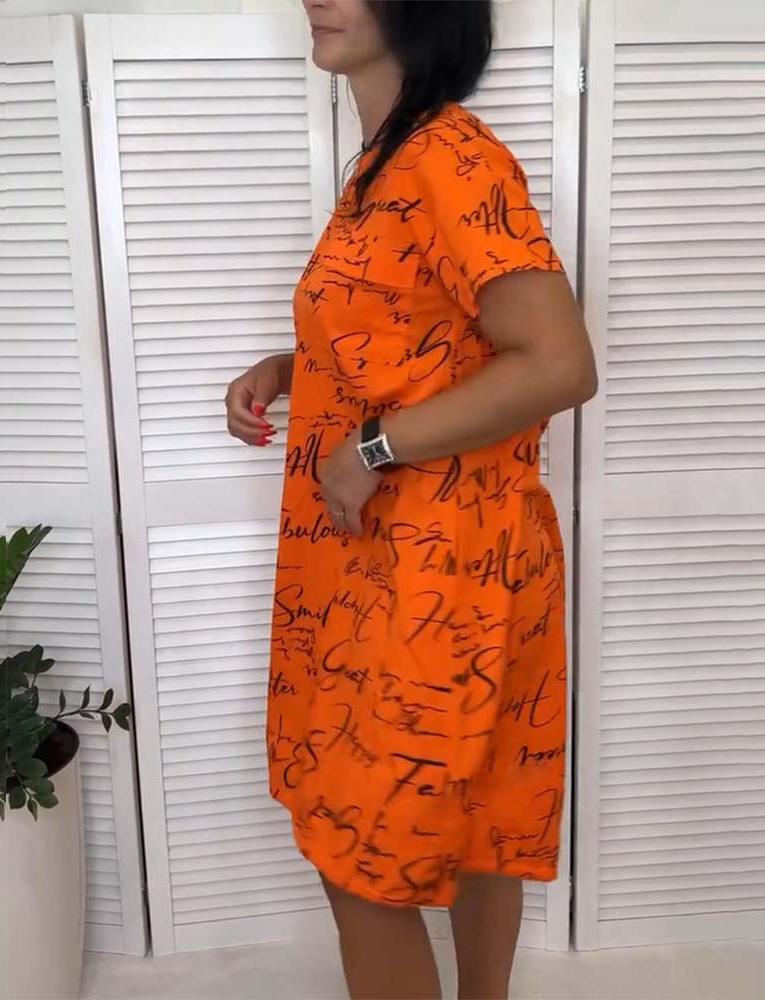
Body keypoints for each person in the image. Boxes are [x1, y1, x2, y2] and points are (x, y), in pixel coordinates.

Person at [225, 1, 597, 996]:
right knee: (477, 821)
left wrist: (372, 446)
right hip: (405, 562)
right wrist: (292, 369)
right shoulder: (386, 163)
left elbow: (558, 363)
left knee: (359, 859)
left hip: (430, 573)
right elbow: (417, 338)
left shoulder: (449, 158)